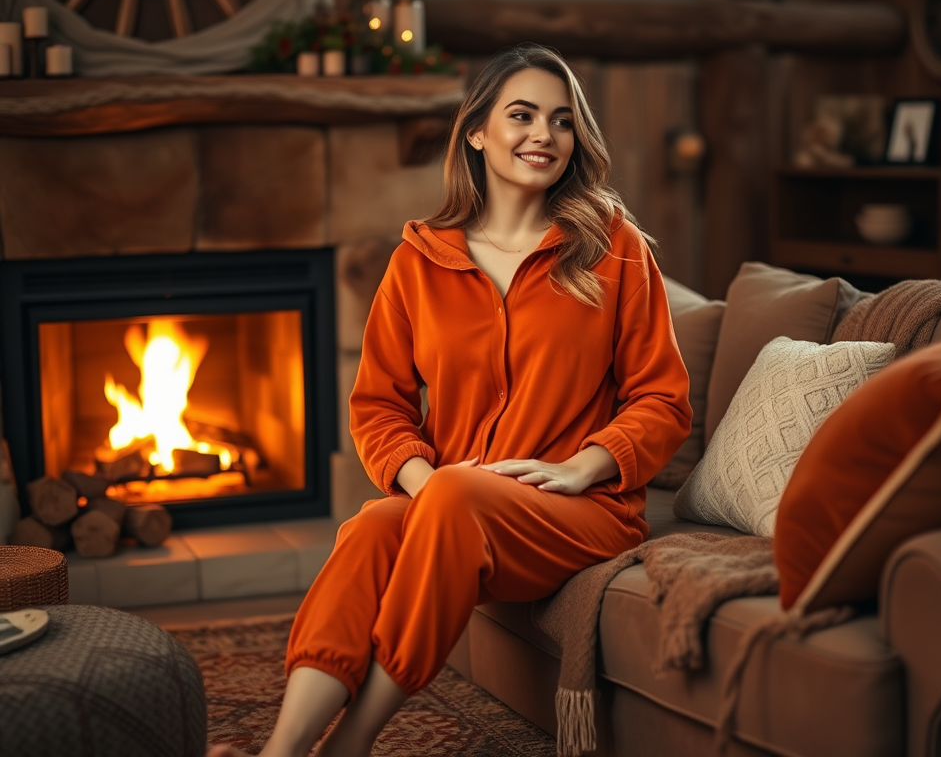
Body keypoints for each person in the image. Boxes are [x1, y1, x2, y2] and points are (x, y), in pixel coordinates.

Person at [208, 42, 691, 757]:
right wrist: (424, 485)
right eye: (522, 115)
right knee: (374, 528)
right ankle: (285, 747)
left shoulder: (612, 247)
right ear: (476, 131)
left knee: (454, 500)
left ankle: (352, 744)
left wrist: (587, 465)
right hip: (456, 504)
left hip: (579, 515)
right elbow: (378, 405)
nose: (543, 136)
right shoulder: (419, 260)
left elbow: (664, 399)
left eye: (562, 121)